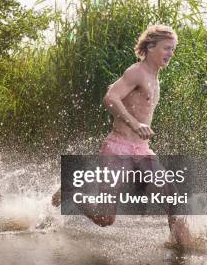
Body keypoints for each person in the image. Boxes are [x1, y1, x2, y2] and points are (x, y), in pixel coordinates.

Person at [53, 25, 192, 246]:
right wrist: (134, 123)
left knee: (172, 197)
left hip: (142, 151)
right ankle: (71, 190)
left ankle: (182, 246)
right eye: (167, 48)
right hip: (118, 149)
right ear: (151, 46)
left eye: (173, 49)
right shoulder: (136, 71)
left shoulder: (155, 78)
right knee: (105, 218)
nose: (170, 54)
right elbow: (110, 97)